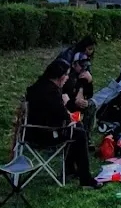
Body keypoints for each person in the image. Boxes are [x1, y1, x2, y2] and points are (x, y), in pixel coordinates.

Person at [25, 59, 96, 188]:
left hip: (33, 130)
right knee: (79, 133)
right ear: (61, 76)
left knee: (77, 128)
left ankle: (70, 169)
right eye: (67, 75)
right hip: (43, 134)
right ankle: (85, 178)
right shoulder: (51, 92)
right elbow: (63, 116)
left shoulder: (39, 86)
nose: (68, 78)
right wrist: (67, 106)